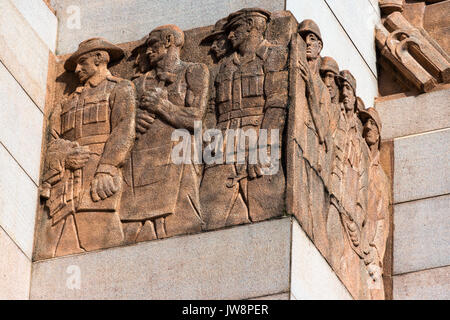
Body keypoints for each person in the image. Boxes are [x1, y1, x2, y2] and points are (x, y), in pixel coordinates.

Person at [39, 38, 136, 257]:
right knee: (51, 248)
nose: (76, 69)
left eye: (82, 62)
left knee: (105, 244)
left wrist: (107, 169)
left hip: (97, 179)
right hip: (64, 185)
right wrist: (64, 156)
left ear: (100, 59)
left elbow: (124, 130)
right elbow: (52, 140)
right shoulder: (67, 101)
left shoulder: (120, 88)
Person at [200, 8, 289, 229]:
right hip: (221, 146)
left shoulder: (274, 55)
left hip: (256, 140)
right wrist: (209, 139)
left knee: (268, 213)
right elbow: (211, 109)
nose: (230, 36)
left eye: (235, 29)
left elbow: (276, 106)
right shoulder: (222, 67)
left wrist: (265, 148)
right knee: (208, 216)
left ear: (251, 26)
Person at [120, 25, 209, 242]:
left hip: (178, 161)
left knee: (181, 228)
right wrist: (134, 122)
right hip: (140, 165)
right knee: (132, 233)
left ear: (169, 41)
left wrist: (162, 106)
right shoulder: (137, 83)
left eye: (152, 45)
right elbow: (121, 125)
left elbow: (196, 119)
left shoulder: (194, 71)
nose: (148, 52)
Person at [359, 107, 390, 300]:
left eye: (372, 123)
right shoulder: (358, 158)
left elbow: (383, 219)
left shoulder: (381, 176)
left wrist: (376, 251)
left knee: (375, 292)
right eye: (365, 123)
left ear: (378, 132)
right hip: (356, 235)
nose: (367, 127)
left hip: (371, 249)